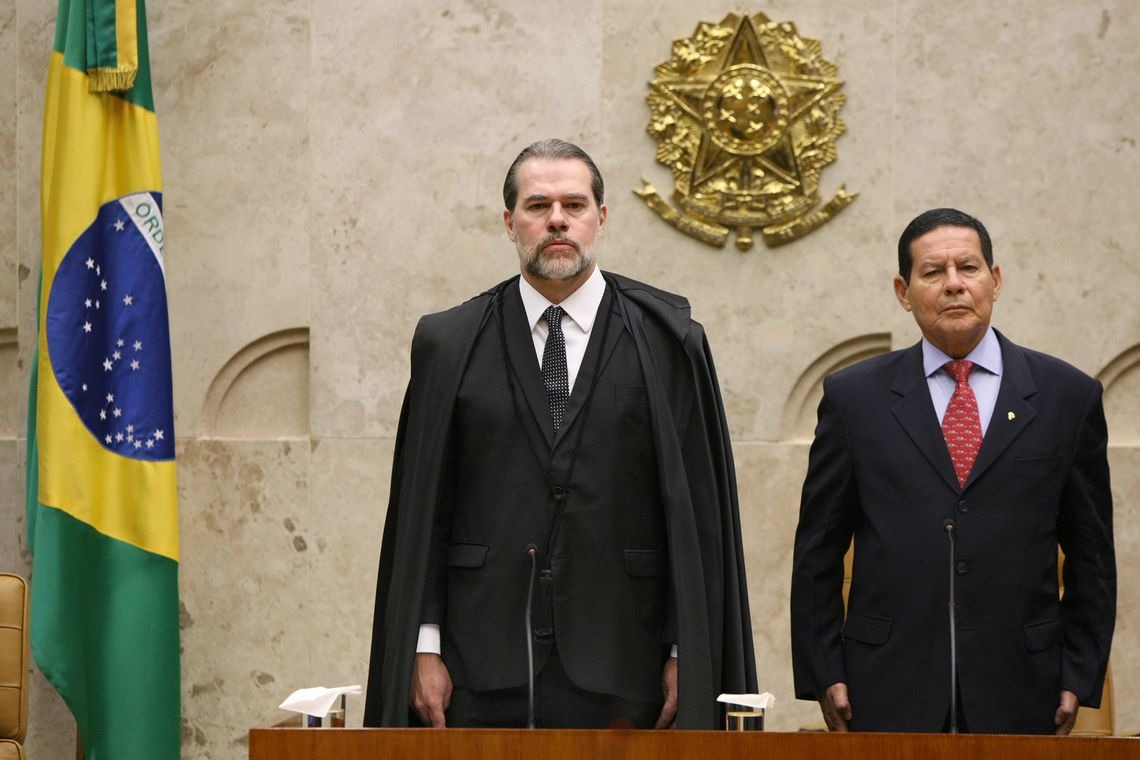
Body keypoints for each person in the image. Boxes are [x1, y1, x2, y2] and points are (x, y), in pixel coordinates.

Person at [364, 138, 756, 729]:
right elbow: (424, 512)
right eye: (537, 205)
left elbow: (694, 511)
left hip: (628, 658)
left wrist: (685, 652)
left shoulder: (669, 343)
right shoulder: (449, 342)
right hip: (478, 663)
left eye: (574, 205)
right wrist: (423, 645)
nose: (556, 220)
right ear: (508, 222)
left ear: (601, 218)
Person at [790, 208, 1115, 734]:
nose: (954, 285)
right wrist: (824, 668)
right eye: (933, 273)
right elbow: (817, 551)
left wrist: (1078, 673)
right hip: (885, 682)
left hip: (1025, 683)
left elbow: (1092, 559)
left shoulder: (1067, 396)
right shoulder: (854, 399)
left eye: (968, 267)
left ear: (996, 279)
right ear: (904, 290)